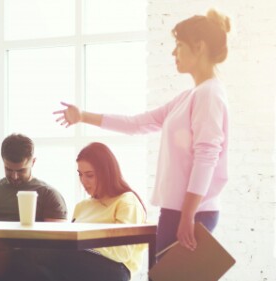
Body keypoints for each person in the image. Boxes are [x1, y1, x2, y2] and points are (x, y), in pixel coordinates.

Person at [54, 9, 231, 254]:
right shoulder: (189, 97)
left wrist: (188, 216)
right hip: (179, 210)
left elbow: (207, 156)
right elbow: (136, 124)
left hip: (192, 212)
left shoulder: (209, 94)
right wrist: (83, 116)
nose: (173, 52)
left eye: (179, 45)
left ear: (199, 47)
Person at [24, 142, 147, 281]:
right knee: (29, 265)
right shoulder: (82, 206)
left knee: (40, 254)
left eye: (89, 175)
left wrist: (82, 244)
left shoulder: (126, 201)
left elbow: (122, 252)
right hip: (78, 262)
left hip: (116, 269)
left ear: (107, 173)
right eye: (80, 174)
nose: (83, 181)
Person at [0, 133, 67, 222]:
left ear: (33, 162)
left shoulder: (49, 195)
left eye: (21, 170)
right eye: (8, 169)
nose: (14, 176)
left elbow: (56, 238)